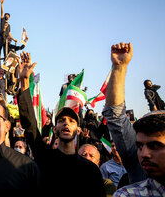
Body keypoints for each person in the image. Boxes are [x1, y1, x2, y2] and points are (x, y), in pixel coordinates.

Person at [16, 52, 106, 197]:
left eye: (71, 121)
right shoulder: (44, 157)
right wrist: (25, 81)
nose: (66, 123)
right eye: (61, 120)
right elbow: (30, 125)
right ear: (55, 129)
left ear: (78, 130)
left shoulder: (90, 170)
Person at [101, 42, 165, 196]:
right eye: (139, 146)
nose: (144, 154)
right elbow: (115, 117)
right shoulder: (128, 194)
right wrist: (119, 67)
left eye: (155, 145)